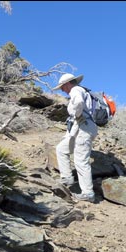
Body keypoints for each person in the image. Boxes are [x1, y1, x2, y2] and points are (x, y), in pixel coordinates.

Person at [53, 73, 98, 202]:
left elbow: (78, 102)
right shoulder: (81, 90)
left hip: (84, 128)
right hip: (81, 129)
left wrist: (77, 115)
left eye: (62, 87)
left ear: (67, 84)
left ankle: (88, 193)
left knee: (80, 160)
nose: (62, 90)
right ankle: (67, 178)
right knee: (61, 149)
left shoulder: (76, 90)